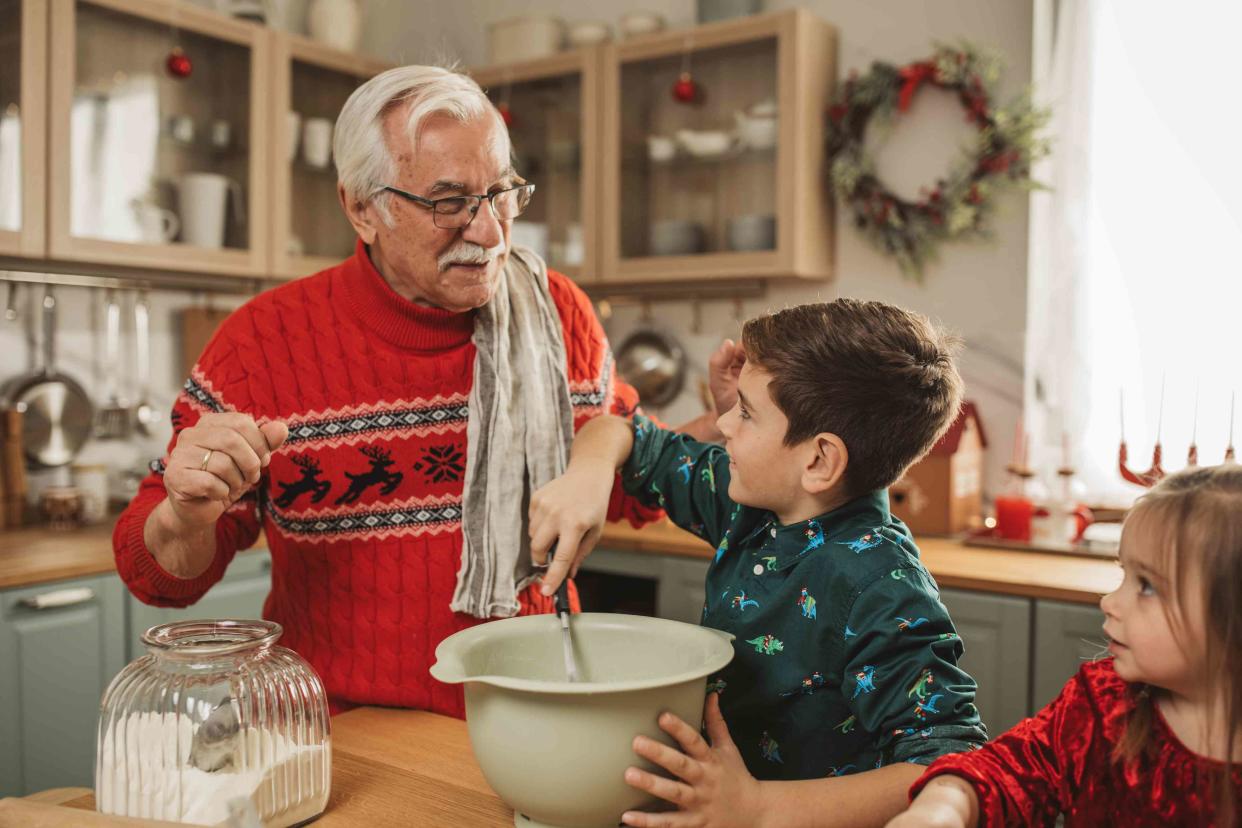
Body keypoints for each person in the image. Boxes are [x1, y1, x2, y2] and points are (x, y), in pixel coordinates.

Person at [112, 65, 728, 717]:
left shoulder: (556, 314)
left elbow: (631, 486)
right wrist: (186, 514)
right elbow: (158, 579)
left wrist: (720, 423)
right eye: (449, 202)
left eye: (501, 193)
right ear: (361, 208)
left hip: (535, 718)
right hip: (344, 740)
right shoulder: (260, 346)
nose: (490, 231)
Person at [531, 300, 988, 827]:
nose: (722, 423)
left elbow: (949, 765)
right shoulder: (750, 506)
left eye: (745, 412)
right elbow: (624, 433)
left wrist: (757, 809)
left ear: (818, 461)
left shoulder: (882, 586)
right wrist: (587, 473)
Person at [887, 464, 1242, 828]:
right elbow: (1006, 771)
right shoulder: (1101, 705)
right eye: (1124, 575)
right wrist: (943, 806)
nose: (1110, 602)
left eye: (1147, 586)